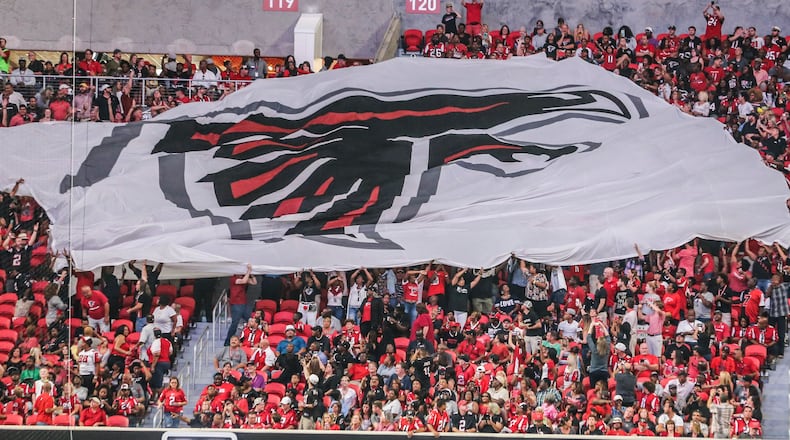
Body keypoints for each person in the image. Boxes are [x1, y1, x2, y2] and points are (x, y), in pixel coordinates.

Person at [224, 264, 257, 346]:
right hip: (236, 303)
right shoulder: (233, 278)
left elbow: (254, 282)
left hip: (243, 302)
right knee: (235, 323)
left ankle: (253, 338)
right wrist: (249, 271)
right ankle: (228, 341)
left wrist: (251, 274)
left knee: (250, 320)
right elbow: (243, 281)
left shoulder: (243, 276)